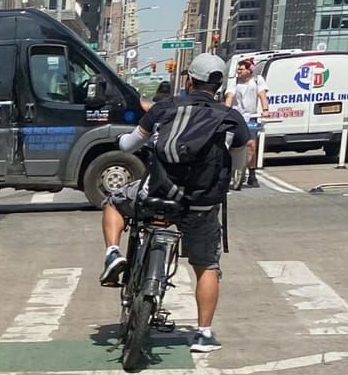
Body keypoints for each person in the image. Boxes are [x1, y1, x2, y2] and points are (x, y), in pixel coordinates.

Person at [95, 51, 249, 355]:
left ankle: (113, 253)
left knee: (115, 202)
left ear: (189, 80)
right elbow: (240, 162)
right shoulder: (231, 118)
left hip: (159, 193)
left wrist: (127, 140)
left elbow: (129, 144)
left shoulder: (165, 109)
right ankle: (203, 334)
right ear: (217, 87)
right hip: (202, 204)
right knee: (206, 265)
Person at [228, 55, 269, 190]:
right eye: (238, 69)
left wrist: (265, 110)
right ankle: (228, 171)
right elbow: (230, 96)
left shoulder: (258, 80)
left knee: (251, 145)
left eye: (241, 69)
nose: (239, 71)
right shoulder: (233, 82)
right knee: (230, 145)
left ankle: (252, 174)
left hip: (251, 117)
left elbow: (262, 95)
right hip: (236, 117)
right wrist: (226, 111)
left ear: (250, 71)